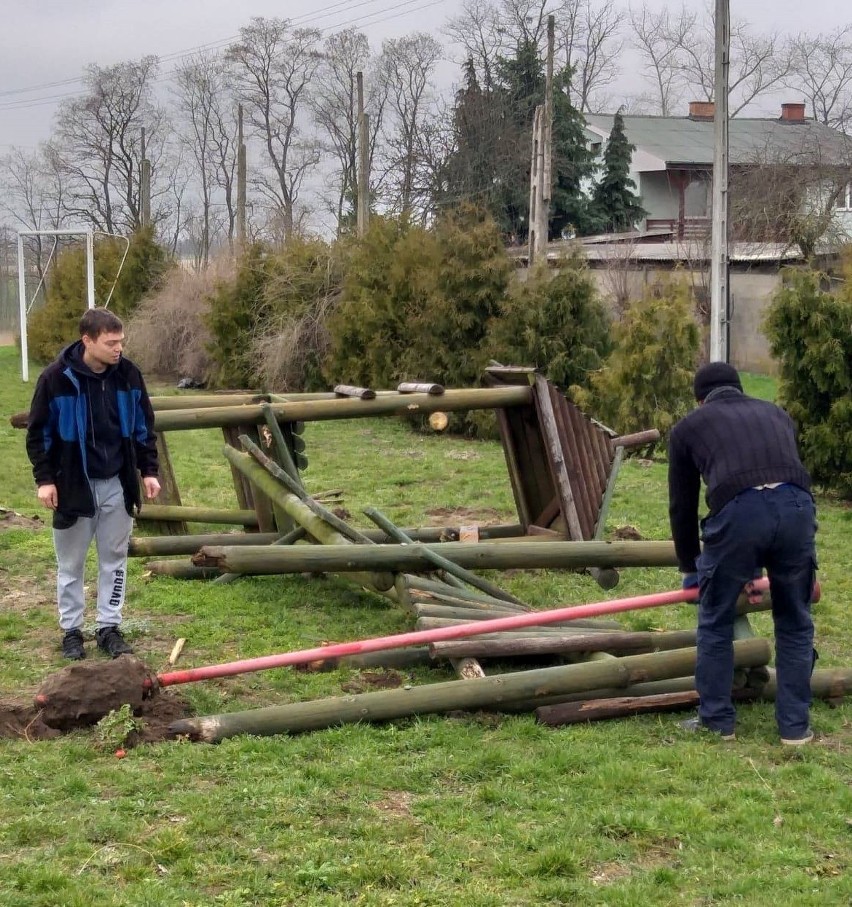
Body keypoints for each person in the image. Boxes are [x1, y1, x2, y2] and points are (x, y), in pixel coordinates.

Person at [668, 362, 817, 746]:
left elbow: (682, 508)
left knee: (716, 619)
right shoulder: (776, 413)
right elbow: (772, 478)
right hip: (798, 507)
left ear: (700, 400)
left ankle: (717, 723)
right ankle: (795, 729)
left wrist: (691, 568)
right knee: (795, 620)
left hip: (738, 513)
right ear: (739, 388)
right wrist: (752, 565)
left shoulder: (689, 428)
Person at [26, 308, 161, 660]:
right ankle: (71, 631)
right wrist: (44, 480)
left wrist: (148, 471)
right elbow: (38, 434)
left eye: (121, 342)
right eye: (111, 342)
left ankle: (108, 628)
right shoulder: (55, 379)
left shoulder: (128, 375)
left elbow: (145, 427)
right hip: (72, 487)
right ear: (87, 340)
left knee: (114, 560)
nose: (119, 349)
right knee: (70, 564)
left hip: (118, 483)